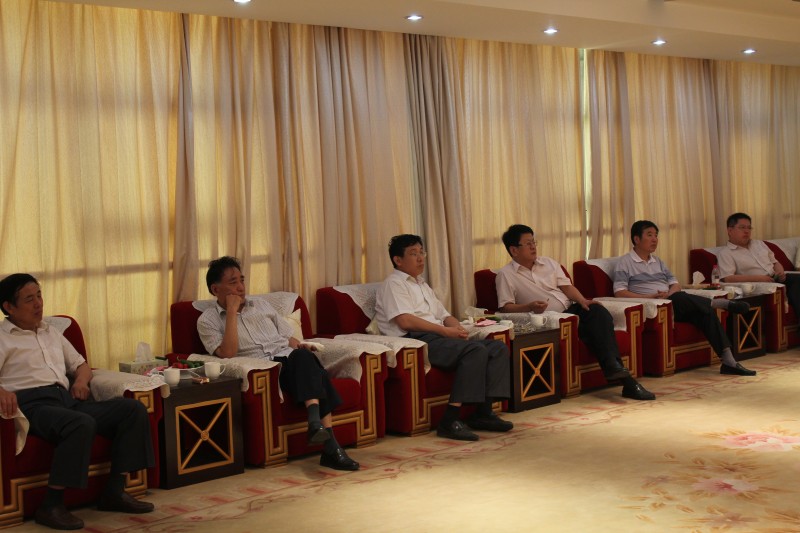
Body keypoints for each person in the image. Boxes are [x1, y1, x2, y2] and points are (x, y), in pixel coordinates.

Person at [0, 273, 155, 531]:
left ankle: (114, 491)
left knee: (132, 410)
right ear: (9, 307)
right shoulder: (3, 337)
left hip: (66, 400)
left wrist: (82, 382)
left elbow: (81, 365)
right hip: (32, 405)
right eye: (29, 299)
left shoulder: (51, 331)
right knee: (80, 423)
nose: (38, 304)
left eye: (39, 295)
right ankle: (51, 505)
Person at [196, 256, 358, 471]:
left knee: (303, 356)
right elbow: (227, 352)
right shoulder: (207, 320)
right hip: (267, 370)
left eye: (242, 280)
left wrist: (302, 346)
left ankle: (317, 426)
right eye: (233, 282)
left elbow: (288, 338)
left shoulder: (261, 305)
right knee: (312, 369)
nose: (241, 287)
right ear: (215, 289)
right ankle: (328, 442)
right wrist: (232, 312)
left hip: (291, 360)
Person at [375, 234, 513, 442]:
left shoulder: (422, 285)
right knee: (475, 351)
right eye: (413, 254)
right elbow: (405, 321)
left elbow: (444, 315)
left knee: (497, 348)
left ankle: (483, 413)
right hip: (417, 340)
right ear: (398, 260)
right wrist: (445, 332)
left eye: (422, 252)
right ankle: (449, 420)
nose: (420, 258)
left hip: (438, 336)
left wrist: (457, 328)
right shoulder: (393, 284)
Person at [496, 224, 655, 401]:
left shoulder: (548, 263)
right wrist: (529, 307)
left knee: (597, 311)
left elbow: (567, 287)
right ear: (514, 250)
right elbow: (505, 307)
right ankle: (626, 380)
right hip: (551, 321)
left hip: (571, 310)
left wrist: (583, 301)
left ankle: (614, 368)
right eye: (528, 244)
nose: (533, 247)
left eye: (534, 242)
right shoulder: (505, 275)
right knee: (594, 332)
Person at [613, 220, 756, 376]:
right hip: (654, 309)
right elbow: (619, 292)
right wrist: (650, 297)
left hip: (673, 303)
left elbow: (675, 284)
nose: (655, 239)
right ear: (636, 239)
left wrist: (669, 294)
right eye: (649, 235)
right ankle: (721, 303)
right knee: (683, 299)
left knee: (705, 312)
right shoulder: (625, 262)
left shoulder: (658, 262)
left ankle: (729, 363)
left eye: (656, 235)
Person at [717, 212, 800, 321]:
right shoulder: (726, 253)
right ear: (730, 230)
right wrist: (759, 278)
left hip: (776, 279)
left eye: (749, 228)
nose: (747, 231)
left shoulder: (759, 244)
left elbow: (774, 262)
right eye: (742, 227)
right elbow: (728, 278)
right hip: (761, 286)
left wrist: (780, 271)